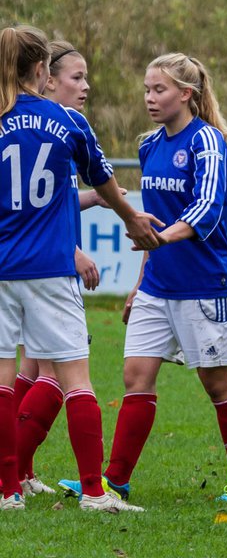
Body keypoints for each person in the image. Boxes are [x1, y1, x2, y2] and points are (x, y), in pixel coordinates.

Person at [58, 52, 227, 504]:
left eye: (159, 90)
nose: (150, 98)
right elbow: (153, 223)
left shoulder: (208, 142)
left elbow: (206, 209)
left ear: (186, 94)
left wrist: (161, 241)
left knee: (216, 383)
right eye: (147, 89)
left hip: (205, 283)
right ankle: (115, 481)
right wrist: (140, 280)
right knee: (135, 376)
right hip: (157, 284)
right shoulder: (150, 145)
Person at [0, 24, 160, 512]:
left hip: (2, 268)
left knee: (4, 381)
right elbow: (103, 180)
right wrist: (131, 217)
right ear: (42, 70)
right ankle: (94, 491)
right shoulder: (66, 120)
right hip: (51, 266)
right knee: (77, 381)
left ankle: (6, 492)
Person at [14, 40, 109, 496]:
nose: (85, 86)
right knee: (56, 373)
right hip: (46, 268)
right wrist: (73, 252)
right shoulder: (59, 128)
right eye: (77, 77)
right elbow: (31, 212)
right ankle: (27, 474)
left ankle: (20, 473)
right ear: (46, 78)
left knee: (32, 370)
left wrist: (92, 200)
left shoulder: (22, 127)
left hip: (20, 267)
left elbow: (52, 200)